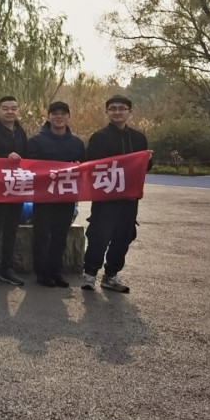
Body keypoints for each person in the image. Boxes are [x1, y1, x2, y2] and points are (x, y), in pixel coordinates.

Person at [82, 95, 151, 293]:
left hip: (129, 198)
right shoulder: (99, 137)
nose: (117, 112)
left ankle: (111, 275)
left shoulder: (138, 138)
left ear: (130, 112)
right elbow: (90, 166)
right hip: (106, 198)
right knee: (99, 235)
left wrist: (148, 161)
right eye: (112, 109)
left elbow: (144, 168)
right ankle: (89, 274)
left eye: (122, 108)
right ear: (107, 112)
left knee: (124, 236)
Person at [25, 100, 85, 288]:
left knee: (60, 235)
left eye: (63, 114)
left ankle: (55, 271)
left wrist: (78, 166)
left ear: (68, 117)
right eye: (55, 114)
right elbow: (30, 167)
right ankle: (42, 273)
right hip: (44, 197)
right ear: (48, 117)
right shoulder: (36, 141)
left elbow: (85, 167)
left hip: (66, 196)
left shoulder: (77, 143)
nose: (59, 117)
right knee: (42, 235)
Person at [0, 95, 29, 286]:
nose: (10, 112)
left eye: (13, 108)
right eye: (6, 108)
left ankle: (6, 269)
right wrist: (4, 158)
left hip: (16, 188)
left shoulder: (20, 132)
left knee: (11, 229)